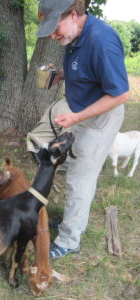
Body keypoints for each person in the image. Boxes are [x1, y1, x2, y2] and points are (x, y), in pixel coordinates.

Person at [27, 0, 130, 259]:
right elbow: (86, 70)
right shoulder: (74, 36)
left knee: (80, 178)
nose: (52, 35)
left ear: (73, 15)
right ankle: (68, 222)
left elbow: (120, 94)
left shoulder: (101, 42)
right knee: (71, 166)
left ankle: (70, 239)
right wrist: (62, 74)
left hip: (99, 118)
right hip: (80, 111)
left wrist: (77, 117)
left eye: (55, 28)